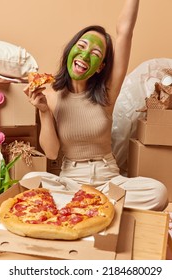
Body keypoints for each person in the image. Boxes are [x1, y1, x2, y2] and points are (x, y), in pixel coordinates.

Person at [24, 0, 168, 210]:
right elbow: (52, 153)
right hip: (71, 182)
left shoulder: (108, 92)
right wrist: (44, 111)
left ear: (100, 67)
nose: (84, 55)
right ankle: (98, 206)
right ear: (71, 50)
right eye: (81, 46)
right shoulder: (49, 93)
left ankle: (86, 206)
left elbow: (125, 32)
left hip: (109, 180)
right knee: (29, 180)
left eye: (95, 53)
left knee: (158, 193)